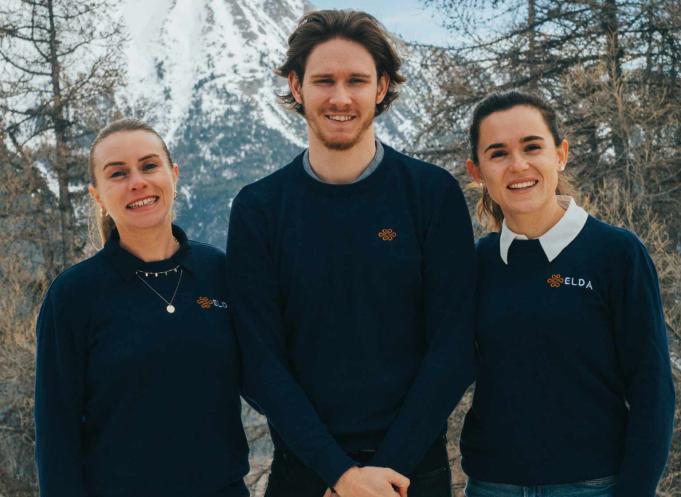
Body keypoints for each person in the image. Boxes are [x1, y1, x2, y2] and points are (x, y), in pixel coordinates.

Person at [226, 9, 476, 497]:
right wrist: (338, 474)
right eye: (324, 81)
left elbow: (454, 347)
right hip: (305, 477)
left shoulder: (431, 195)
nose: (340, 97)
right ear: (297, 88)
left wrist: (386, 471)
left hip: (411, 476)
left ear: (381, 88)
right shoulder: (259, 209)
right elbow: (259, 361)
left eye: (356, 80)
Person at [462, 91, 675, 497]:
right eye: (498, 153)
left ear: (560, 154)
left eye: (532, 147)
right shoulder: (479, 263)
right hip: (492, 486)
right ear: (477, 171)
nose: (518, 165)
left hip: (592, 486)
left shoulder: (616, 253)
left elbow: (653, 392)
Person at [34, 119, 249, 497]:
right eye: (117, 174)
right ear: (97, 195)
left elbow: (270, 381)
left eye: (149, 166)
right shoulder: (73, 296)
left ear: (174, 175)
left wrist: (331, 468)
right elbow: (56, 437)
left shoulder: (219, 272)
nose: (137, 181)